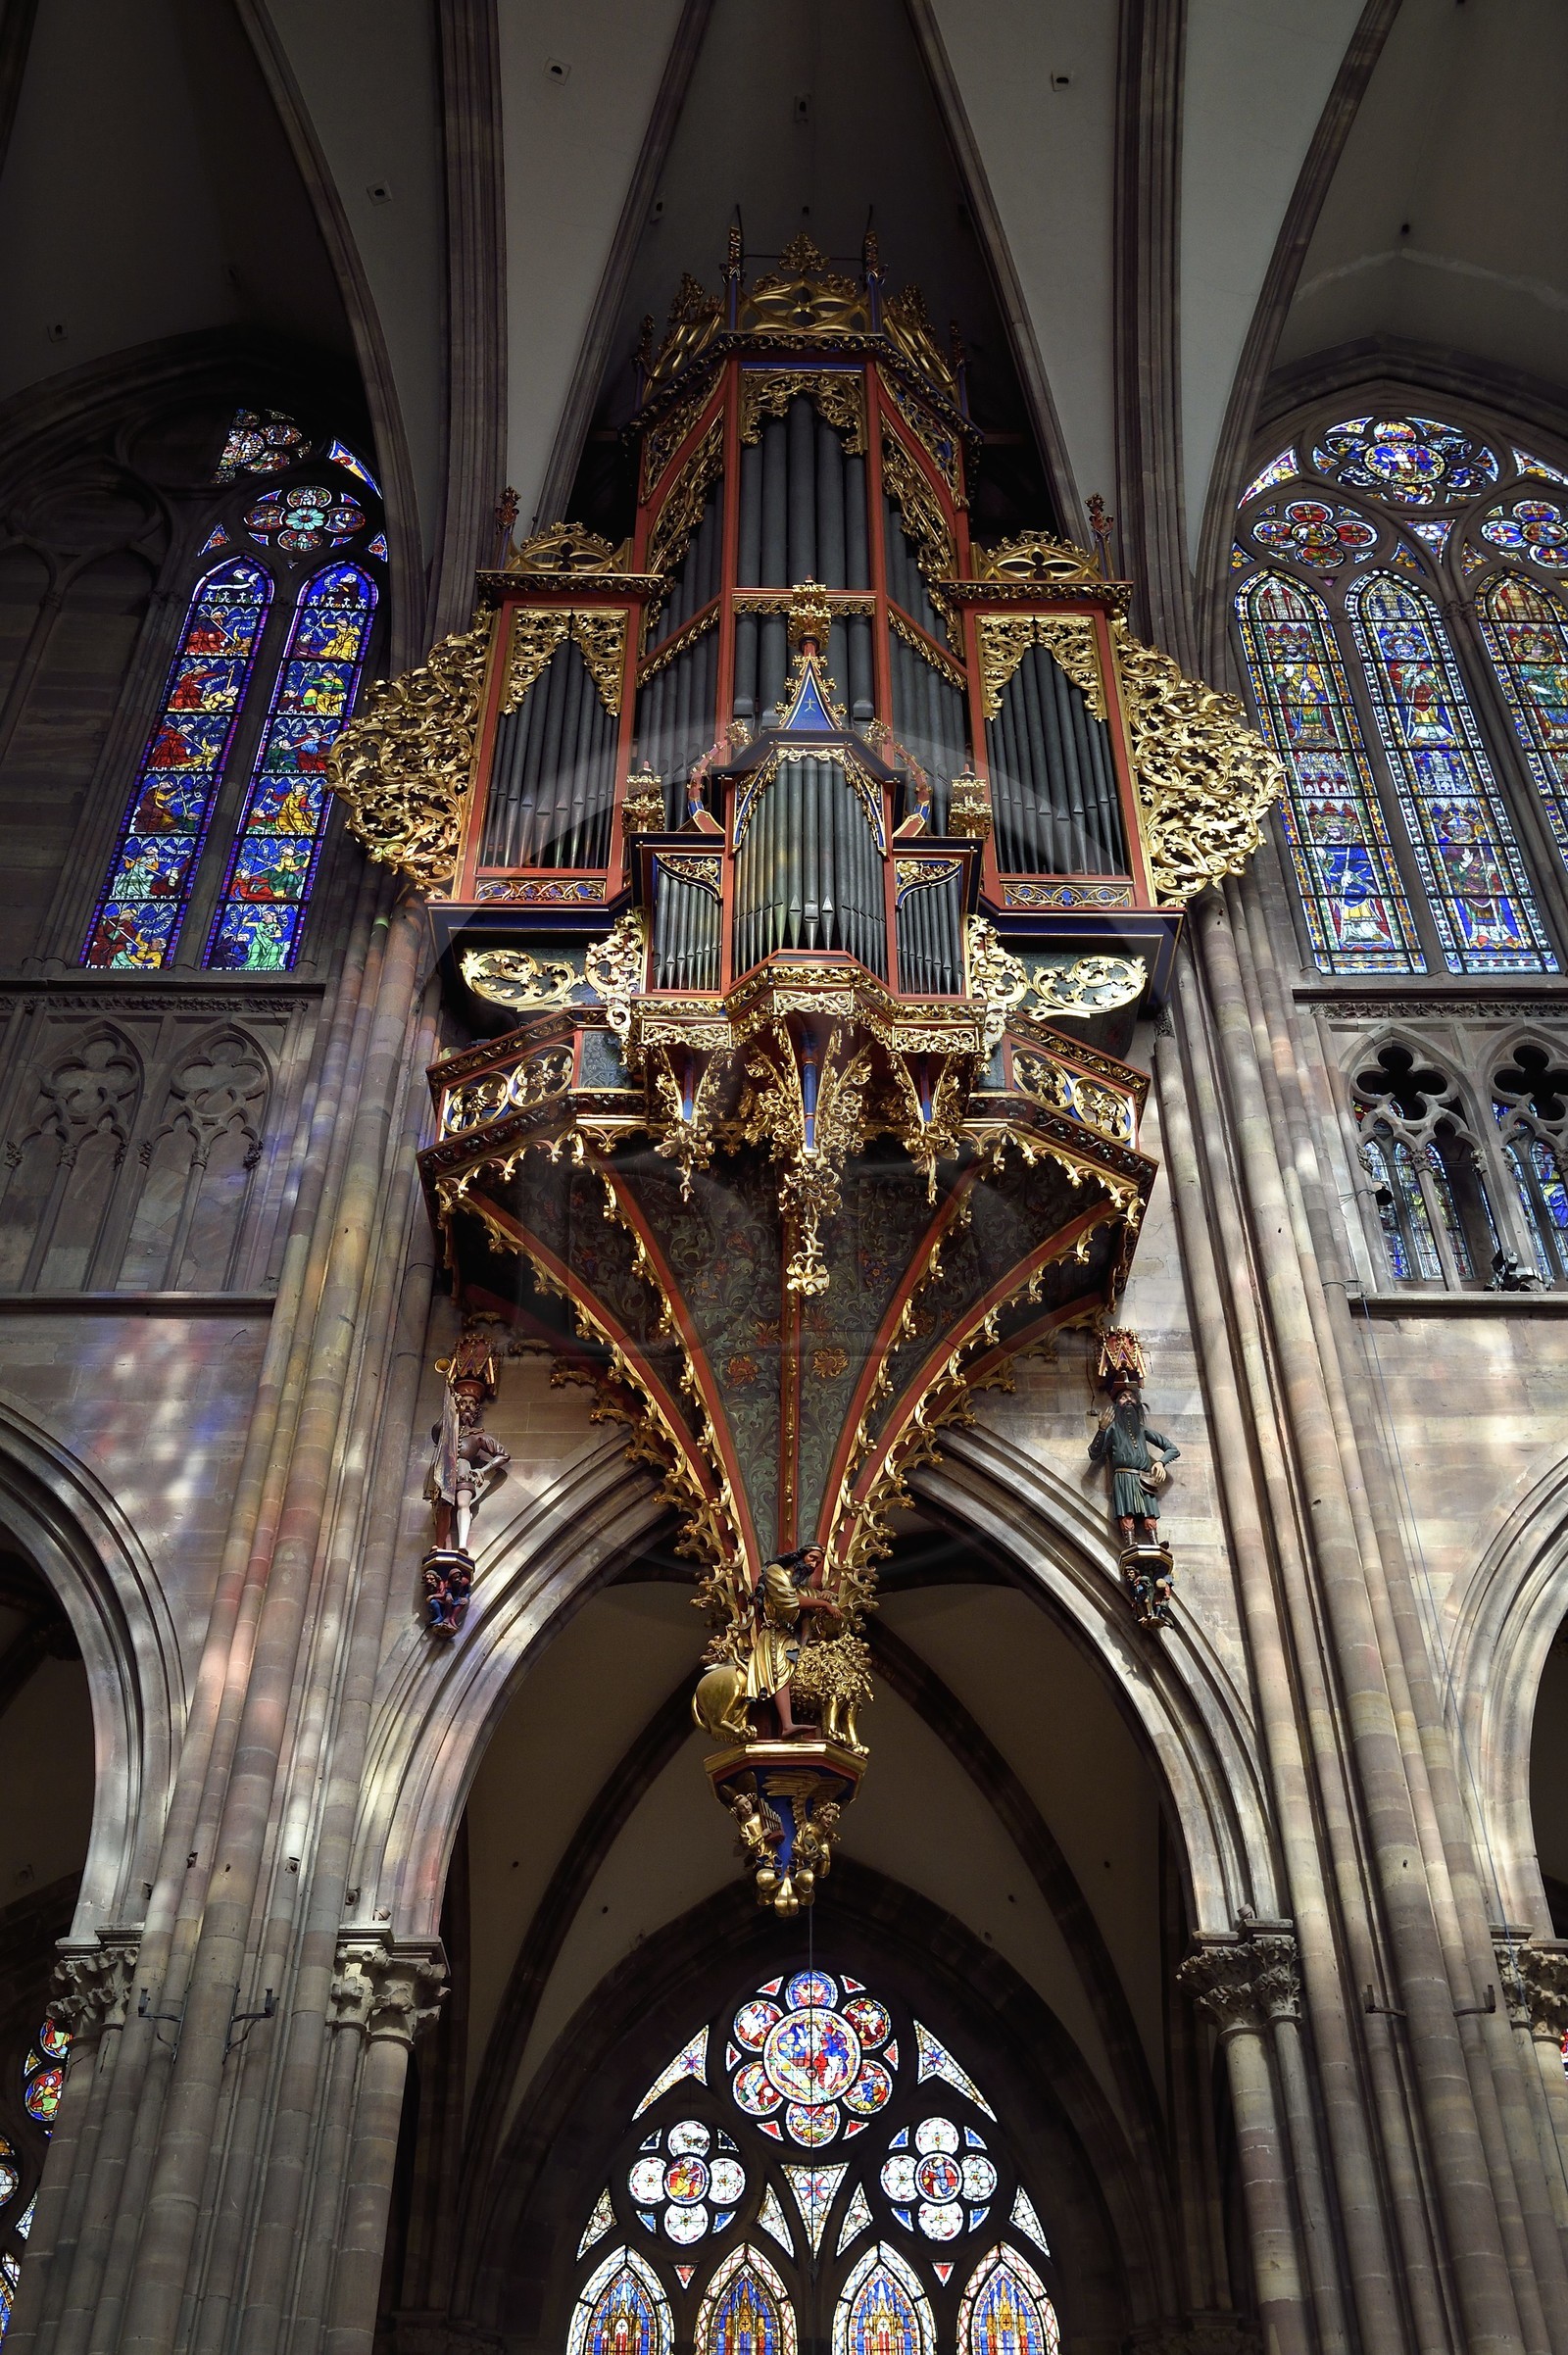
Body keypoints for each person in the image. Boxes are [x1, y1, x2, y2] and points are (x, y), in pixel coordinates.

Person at [745, 1545, 838, 1738]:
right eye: (812, 1558)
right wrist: (824, 1603)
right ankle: (787, 1725)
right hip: (774, 1634)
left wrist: (829, 1596)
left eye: (818, 1563)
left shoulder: (805, 1590)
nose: (814, 1565)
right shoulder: (775, 1572)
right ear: (800, 1556)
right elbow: (788, 1599)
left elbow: (818, 1614)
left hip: (789, 1637)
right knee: (782, 1669)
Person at [424, 1374, 511, 1554]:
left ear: (477, 1408)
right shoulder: (449, 1429)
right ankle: (439, 1545)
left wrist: (483, 1470)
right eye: (464, 1402)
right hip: (446, 1468)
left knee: (463, 1504)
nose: (468, 1406)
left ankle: (462, 1545)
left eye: (472, 1403)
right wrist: (450, 1409)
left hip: (464, 1468)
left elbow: (503, 1454)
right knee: (444, 1506)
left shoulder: (477, 1434)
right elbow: (437, 1431)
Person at [1089, 1383, 1179, 1546]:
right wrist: (1102, 1430)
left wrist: (1160, 1462)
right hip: (1123, 1477)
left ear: (1138, 1403)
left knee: (1149, 1513)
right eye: (1123, 1397)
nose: (1128, 1400)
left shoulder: (1142, 1430)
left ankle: (1155, 1542)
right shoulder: (1113, 1428)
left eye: (1131, 1397)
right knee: (1126, 1512)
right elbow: (1094, 1453)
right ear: (1117, 1404)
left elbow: (1172, 1449)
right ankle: (1130, 1543)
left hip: (1143, 1478)